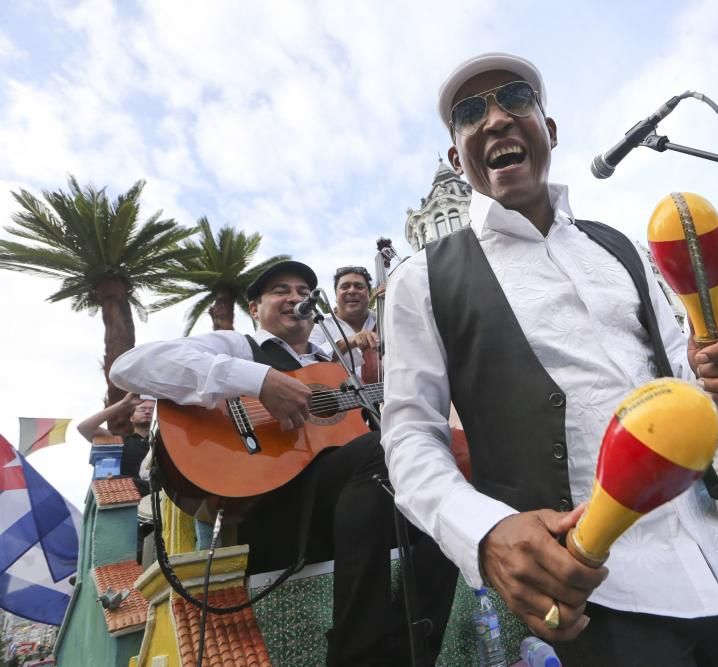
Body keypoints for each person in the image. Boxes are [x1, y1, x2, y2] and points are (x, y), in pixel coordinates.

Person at [382, 53, 718, 666]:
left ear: (548, 129)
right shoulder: (420, 278)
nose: (496, 119)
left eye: (515, 100)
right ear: (458, 157)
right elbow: (409, 439)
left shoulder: (621, 248)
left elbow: (685, 379)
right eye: (471, 113)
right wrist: (483, 533)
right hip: (597, 598)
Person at [110, 260, 451, 666]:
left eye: (304, 292)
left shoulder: (337, 367)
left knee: (447, 501)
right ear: (255, 309)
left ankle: (416, 651)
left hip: (354, 508)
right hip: (271, 502)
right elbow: (128, 367)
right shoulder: (238, 347)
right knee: (382, 448)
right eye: (280, 290)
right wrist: (260, 382)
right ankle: (357, 655)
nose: (295, 298)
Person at [308, 265, 380, 376]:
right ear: (336, 296)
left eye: (359, 286)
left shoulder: (385, 320)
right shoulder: (319, 324)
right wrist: (349, 342)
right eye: (345, 287)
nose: (351, 291)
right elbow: (309, 362)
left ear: (369, 294)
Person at [78, 392, 155, 495]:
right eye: (142, 409)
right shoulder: (120, 440)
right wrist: (124, 403)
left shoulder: (165, 444)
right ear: (131, 418)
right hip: (132, 497)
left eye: (152, 410)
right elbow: (84, 428)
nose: (147, 412)